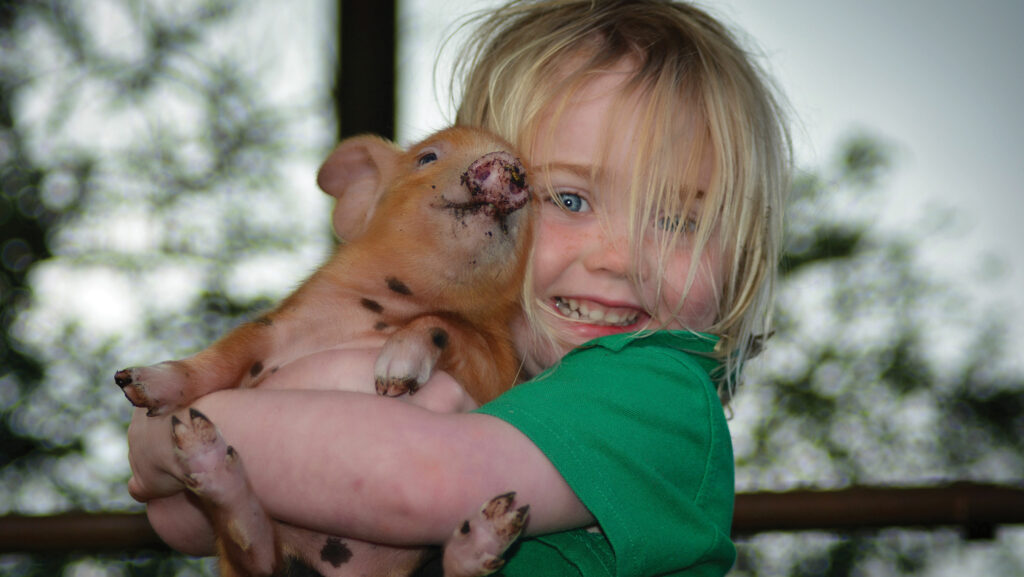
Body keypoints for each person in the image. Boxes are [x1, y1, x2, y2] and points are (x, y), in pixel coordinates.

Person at [125, 1, 791, 575]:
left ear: (743, 254)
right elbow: (182, 522)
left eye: (677, 219)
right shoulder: (473, 377)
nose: (622, 260)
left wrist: (193, 432)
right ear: (485, 213)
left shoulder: (656, 393)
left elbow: (421, 481)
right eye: (569, 198)